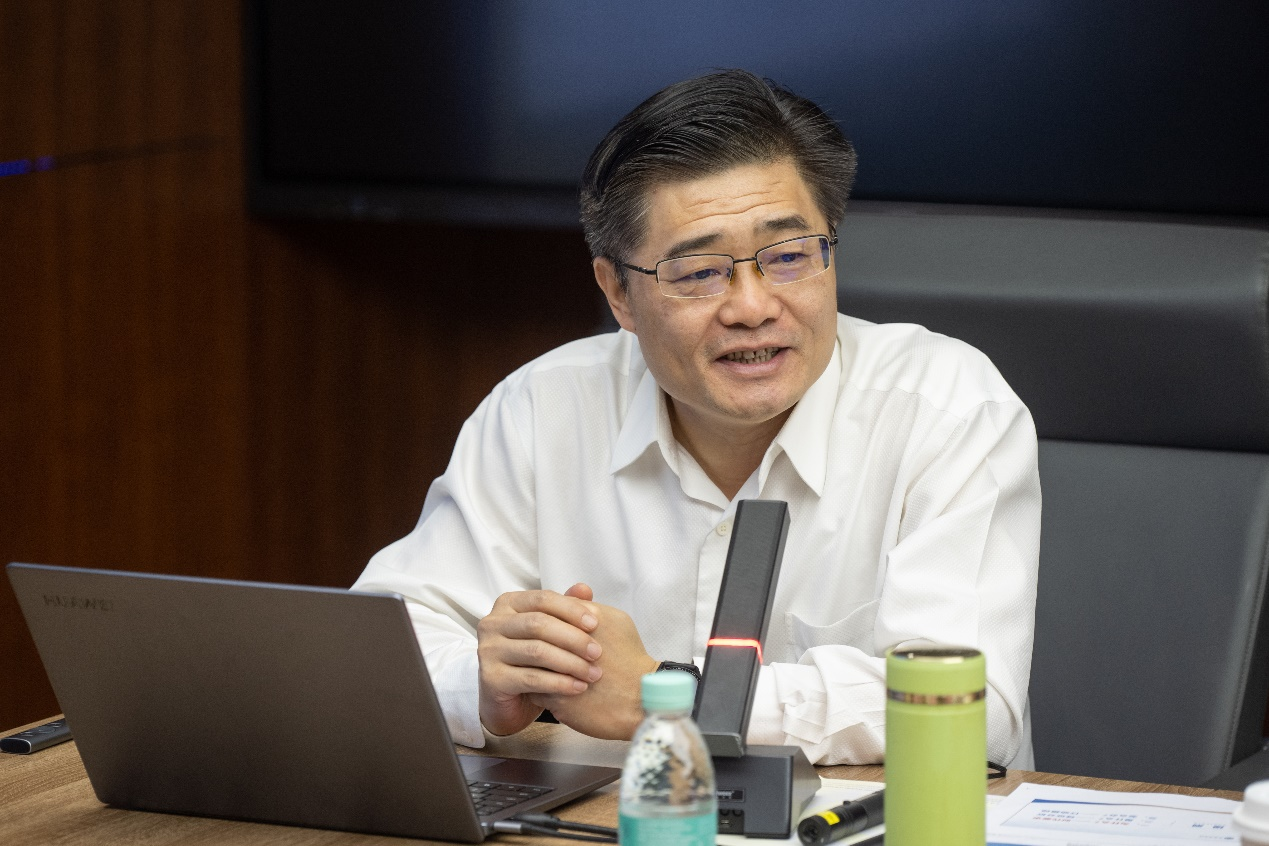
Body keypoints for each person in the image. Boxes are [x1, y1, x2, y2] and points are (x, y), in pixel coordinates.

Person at [353, 69, 1040, 768]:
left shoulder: (947, 407)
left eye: (788, 257)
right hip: (612, 817)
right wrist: (483, 687)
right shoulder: (542, 407)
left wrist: (664, 694)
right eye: (699, 272)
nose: (752, 307)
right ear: (618, 293)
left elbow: (972, 711)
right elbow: (378, 653)